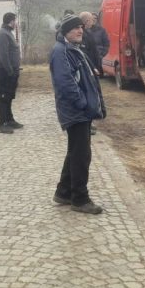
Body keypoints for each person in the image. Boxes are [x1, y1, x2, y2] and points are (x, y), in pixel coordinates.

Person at [51, 14, 106, 215]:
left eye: (81, 27)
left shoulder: (72, 48)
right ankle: (80, 199)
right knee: (81, 155)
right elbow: (65, 83)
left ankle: (64, 192)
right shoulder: (61, 51)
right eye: (75, 28)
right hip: (75, 111)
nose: (80, 31)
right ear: (66, 31)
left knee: (75, 151)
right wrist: (82, 103)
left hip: (80, 111)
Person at [0, 11, 23, 134]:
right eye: (15, 21)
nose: (16, 23)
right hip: (5, 72)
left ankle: (10, 120)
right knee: (3, 97)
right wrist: (10, 70)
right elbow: (3, 55)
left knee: (9, 96)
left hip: (12, 71)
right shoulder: (2, 34)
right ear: (11, 21)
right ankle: (3, 124)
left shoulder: (8, 33)